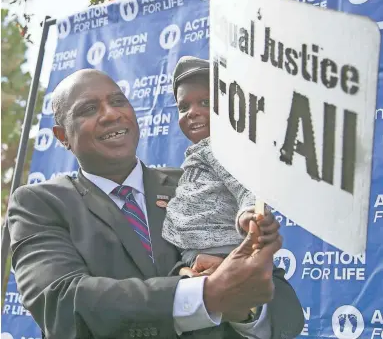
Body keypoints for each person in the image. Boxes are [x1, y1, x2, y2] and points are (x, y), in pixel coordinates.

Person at [7, 69, 303, 339]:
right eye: (88, 109)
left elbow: (283, 308)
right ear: (62, 137)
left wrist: (242, 305)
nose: (111, 114)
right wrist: (205, 295)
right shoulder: (38, 203)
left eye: (118, 101)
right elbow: (61, 301)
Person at [163, 56, 272, 267]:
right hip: (195, 254)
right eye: (183, 107)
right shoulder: (199, 152)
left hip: (226, 251)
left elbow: (248, 187)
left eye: (205, 102)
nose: (192, 113)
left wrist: (249, 213)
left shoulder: (224, 148)